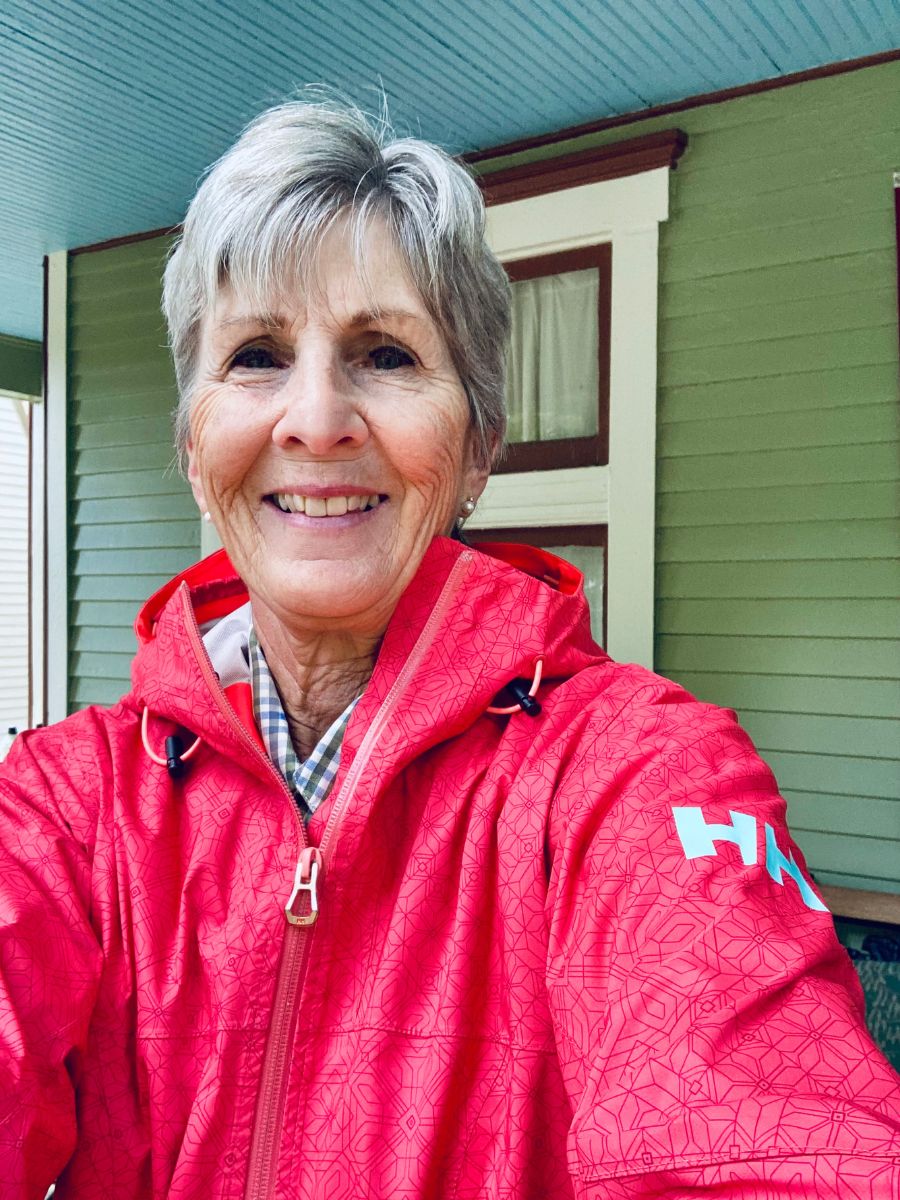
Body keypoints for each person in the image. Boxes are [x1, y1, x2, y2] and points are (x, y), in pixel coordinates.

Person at [0, 100, 898, 1200]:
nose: (317, 418)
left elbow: (765, 1138)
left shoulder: (631, 774)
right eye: (256, 356)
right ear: (195, 445)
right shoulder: (67, 805)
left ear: (475, 446)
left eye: (384, 352)